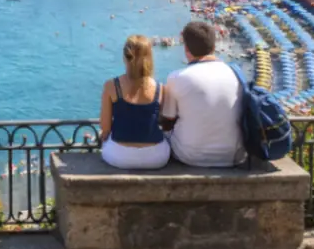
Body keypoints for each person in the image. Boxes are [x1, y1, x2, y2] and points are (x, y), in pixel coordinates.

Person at [160, 21, 245, 167]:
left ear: (186, 48)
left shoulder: (177, 77)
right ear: (214, 47)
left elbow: (168, 122)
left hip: (189, 155)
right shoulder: (236, 74)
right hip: (233, 155)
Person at [98, 35, 170, 170]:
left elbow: (105, 128)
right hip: (156, 158)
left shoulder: (111, 86)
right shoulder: (160, 88)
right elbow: (163, 123)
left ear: (124, 57)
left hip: (119, 156)